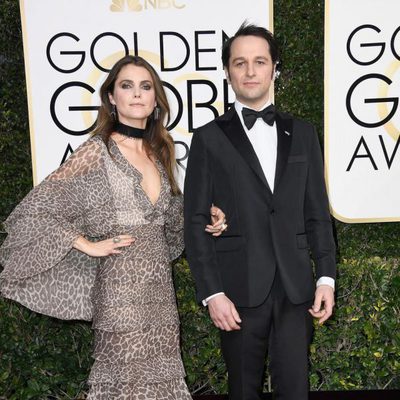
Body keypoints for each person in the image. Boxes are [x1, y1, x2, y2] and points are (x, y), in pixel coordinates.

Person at [0, 55, 226, 399]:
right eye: (127, 85)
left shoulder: (157, 150)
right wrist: (85, 243)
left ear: (155, 100)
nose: (137, 94)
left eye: (145, 86)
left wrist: (202, 212)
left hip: (160, 295)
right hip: (119, 292)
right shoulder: (96, 149)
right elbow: (36, 209)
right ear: (111, 97)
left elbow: (166, 218)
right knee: (125, 385)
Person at [184, 23, 336, 400]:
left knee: (295, 390)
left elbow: (317, 211)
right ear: (227, 71)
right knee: (243, 391)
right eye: (240, 63)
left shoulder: (303, 133)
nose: (250, 71)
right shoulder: (208, 138)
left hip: (295, 287)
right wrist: (212, 293)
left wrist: (326, 279)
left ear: (274, 69)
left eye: (259, 61)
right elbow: (195, 220)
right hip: (237, 292)